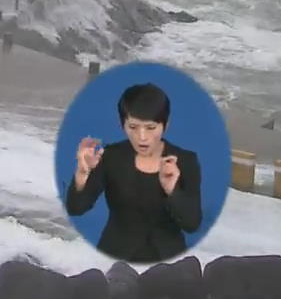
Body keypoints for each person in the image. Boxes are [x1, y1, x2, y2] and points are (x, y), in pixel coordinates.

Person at [65, 82, 203, 262]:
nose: (142, 137)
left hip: (169, 262)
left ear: (165, 125)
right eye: (133, 127)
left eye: (151, 127)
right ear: (122, 125)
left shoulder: (186, 161)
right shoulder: (111, 157)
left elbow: (192, 224)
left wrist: (172, 190)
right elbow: (76, 208)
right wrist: (83, 173)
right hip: (114, 257)